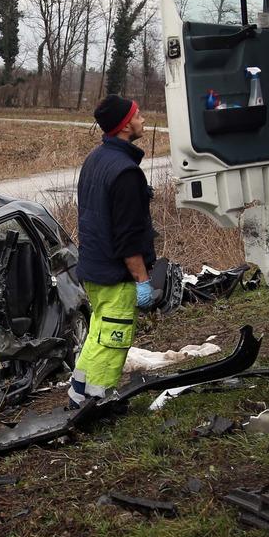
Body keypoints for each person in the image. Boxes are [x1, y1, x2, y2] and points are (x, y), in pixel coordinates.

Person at [67, 94, 157, 408]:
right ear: (124, 127)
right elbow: (128, 237)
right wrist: (143, 281)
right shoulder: (126, 173)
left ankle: (78, 394)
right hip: (116, 275)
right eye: (138, 114)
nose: (143, 119)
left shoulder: (95, 159)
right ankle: (97, 402)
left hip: (93, 269)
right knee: (113, 340)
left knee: (99, 333)